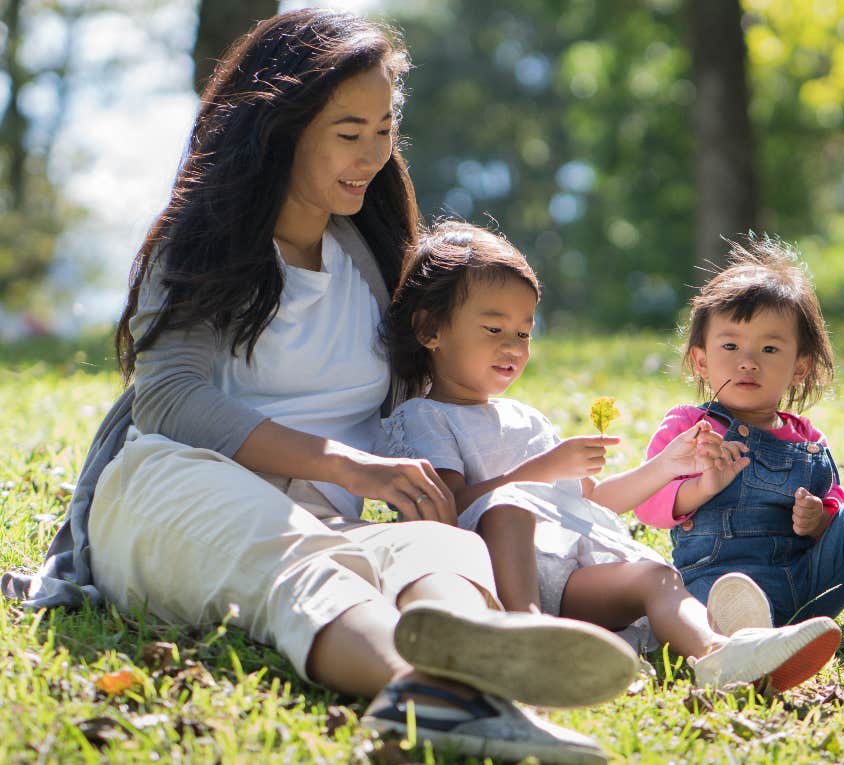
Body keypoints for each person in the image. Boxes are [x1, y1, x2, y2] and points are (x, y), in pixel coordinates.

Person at [0, 10, 640, 764]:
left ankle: (480, 664)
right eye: (347, 131)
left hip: (321, 523)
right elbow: (168, 401)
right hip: (173, 491)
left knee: (435, 546)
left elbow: (438, 389)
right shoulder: (207, 245)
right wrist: (345, 463)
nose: (371, 154)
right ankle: (432, 690)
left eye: (384, 128)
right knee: (295, 563)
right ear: (281, 126)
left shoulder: (368, 256)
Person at [381, 220, 843, 694]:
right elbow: (444, 509)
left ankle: (718, 653)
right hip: (497, 575)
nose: (512, 346)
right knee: (509, 508)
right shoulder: (424, 418)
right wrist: (541, 470)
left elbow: (594, 502)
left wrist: (667, 467)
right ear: (430, 330)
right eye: (494, 328)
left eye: (523, 332)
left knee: (657, 576)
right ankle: (525, 637)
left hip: (574, 575)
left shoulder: (526, 419)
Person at [633, 237, 844, 667]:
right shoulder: (689, 427)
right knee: (717, 605)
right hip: (720, 589)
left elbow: (833, 514)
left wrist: (819, 520)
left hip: (807, 588)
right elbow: (648, 505)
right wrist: (702, 486)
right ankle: (743, 644)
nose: (748, 361)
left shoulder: (809, 441)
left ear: (800, 368)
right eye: (730, 346)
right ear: (701, 361)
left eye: (769, 348)